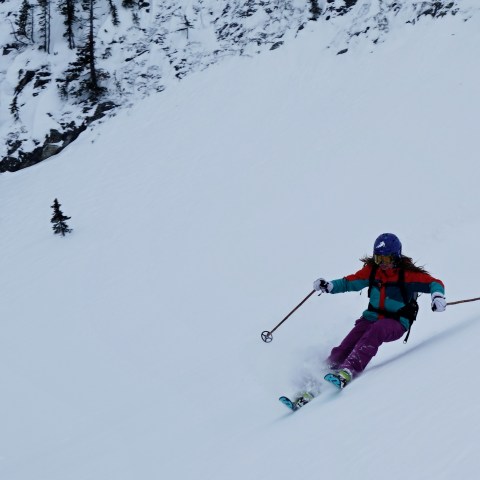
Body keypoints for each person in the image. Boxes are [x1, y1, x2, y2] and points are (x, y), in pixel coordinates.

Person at [313, 233, 446, 389]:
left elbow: (434, 283)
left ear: (395, 257)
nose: (382, 264)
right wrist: (330, 286)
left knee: (377, 330)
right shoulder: (373, 272)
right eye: (378, 259)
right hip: (371, 317)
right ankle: (317, 378)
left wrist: (438, 296)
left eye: (386, 259)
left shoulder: (407, 275)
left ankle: (348, 370)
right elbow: (350, 283)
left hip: (396, 321)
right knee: (346, 346)